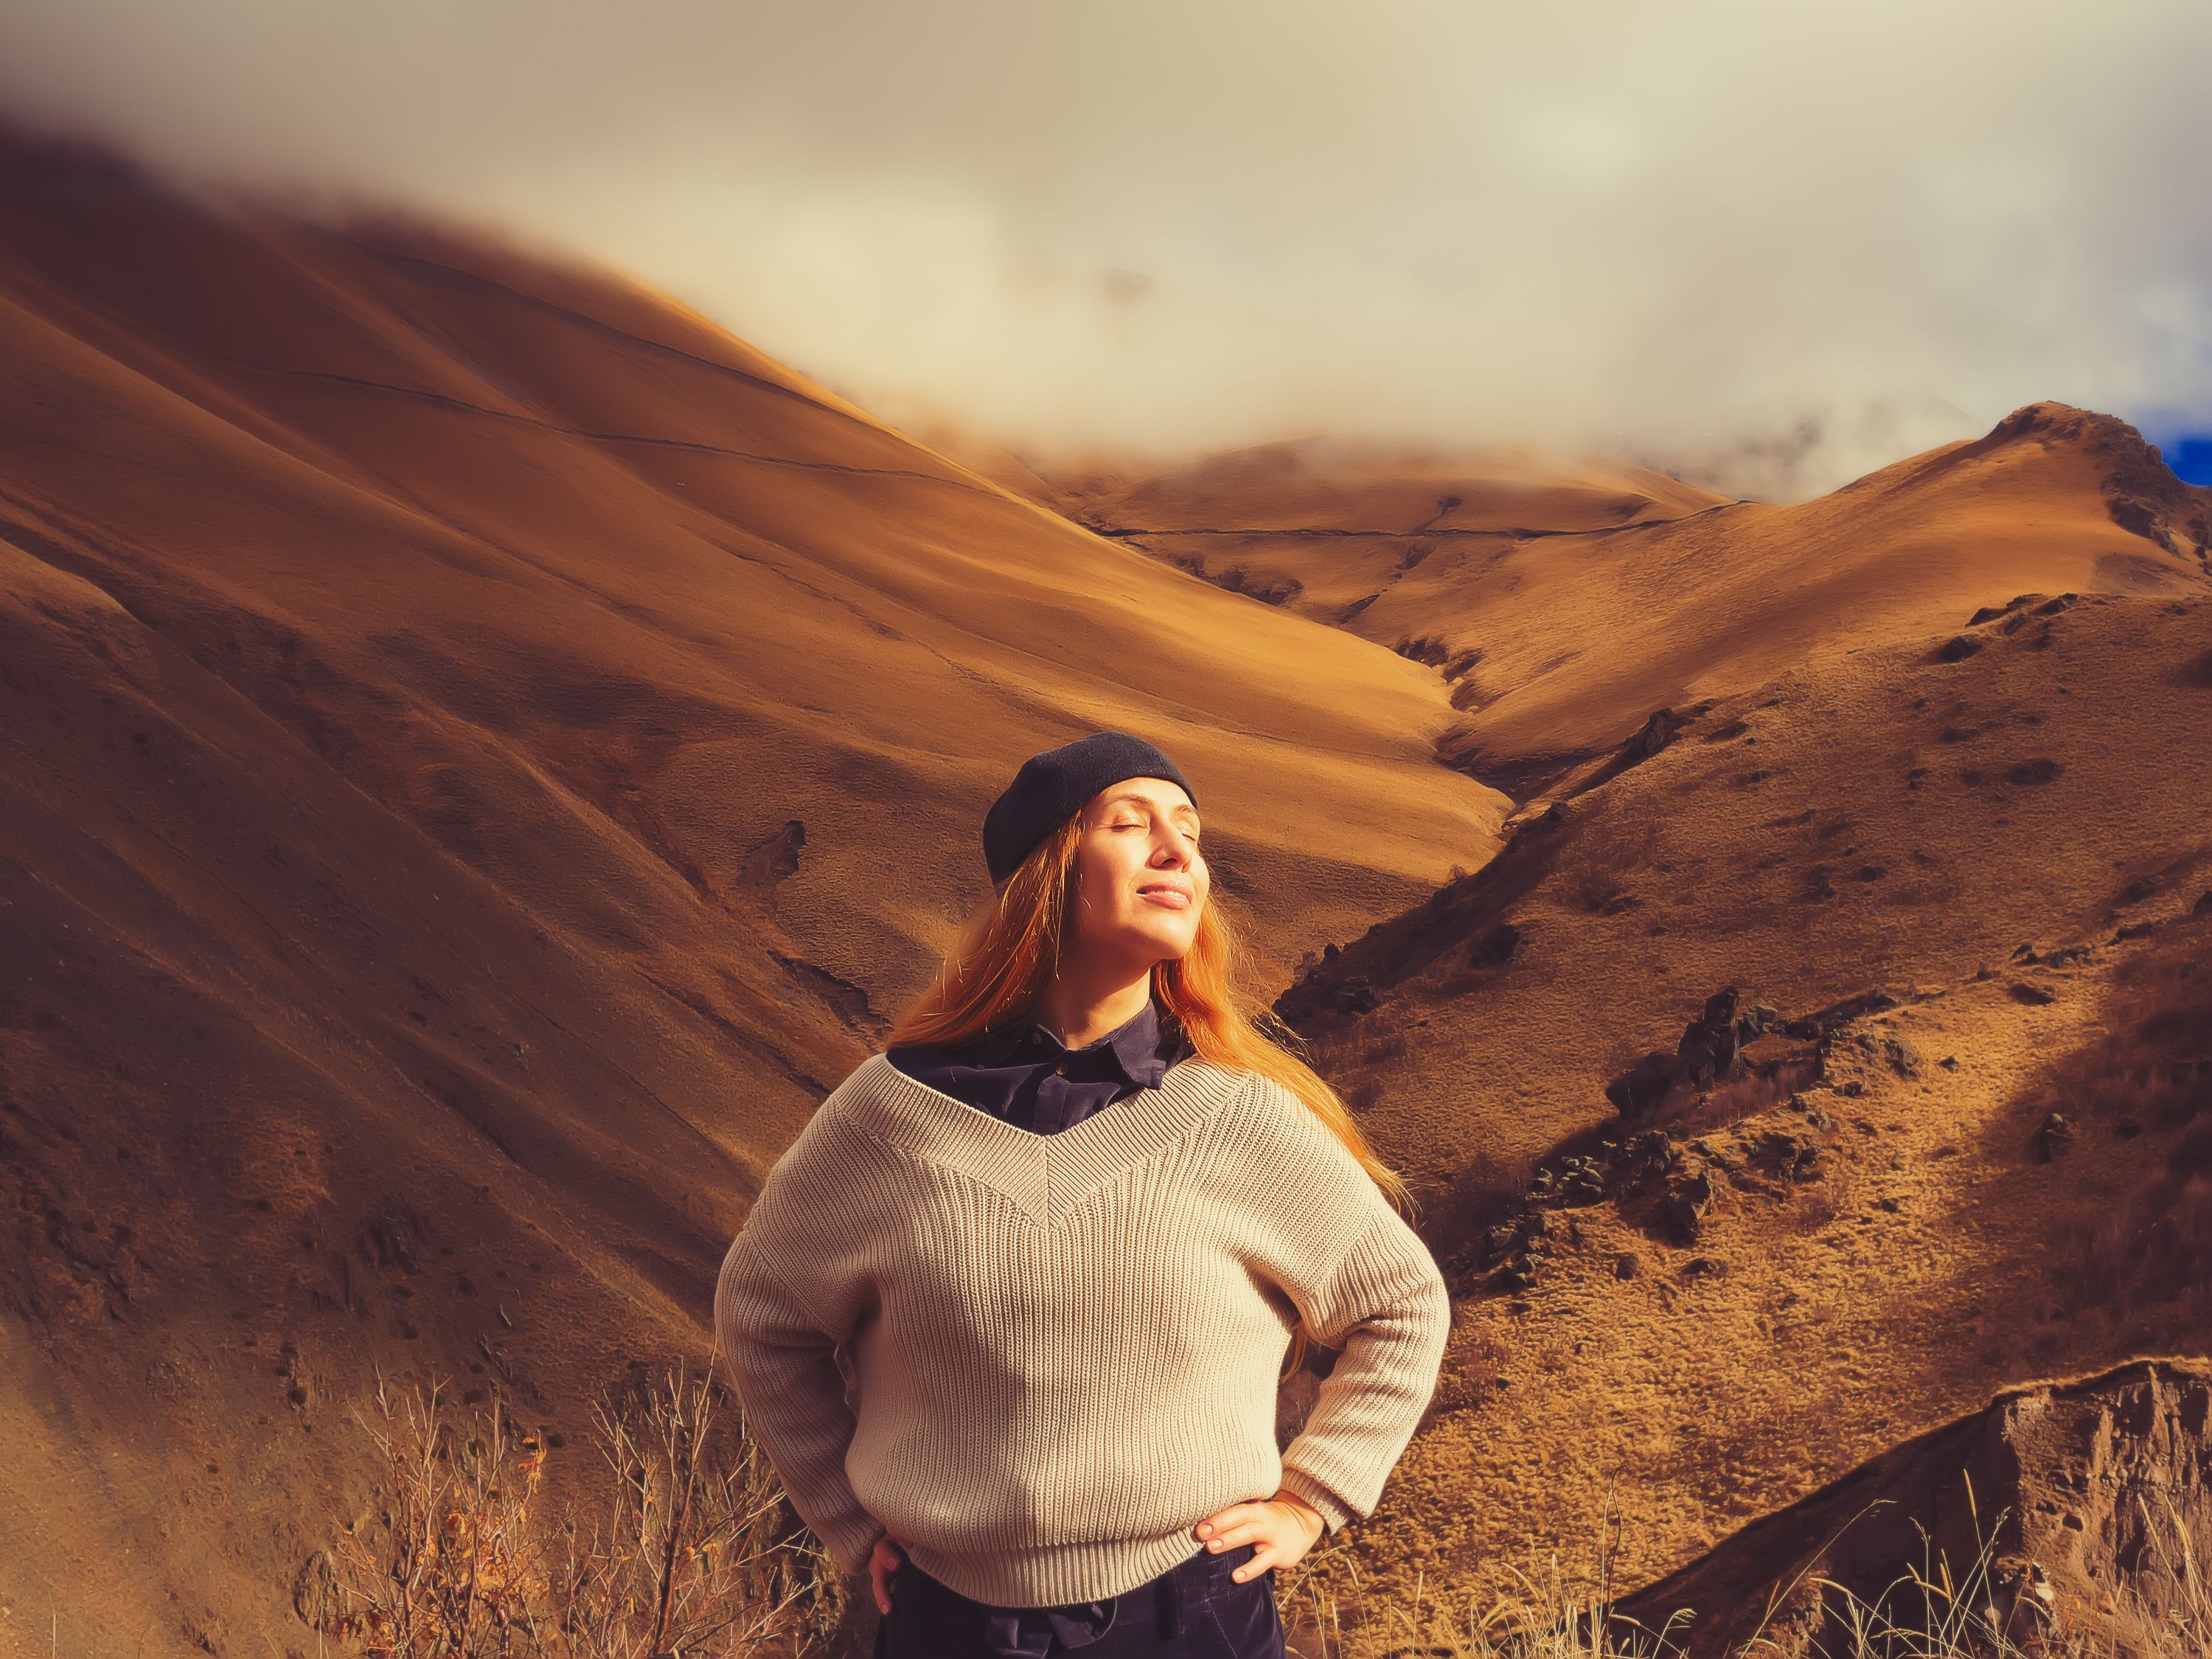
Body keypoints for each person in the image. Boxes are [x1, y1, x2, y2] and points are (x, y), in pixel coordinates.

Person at [713, 731, 1452, 1659]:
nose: (1179, 852)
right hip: (949, 1625)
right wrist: (848, 1527)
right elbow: (762, 1315)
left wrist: (1314, 1498)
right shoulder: (890, 1117)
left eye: (1188, 830)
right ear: (1048, 870)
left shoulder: (1238, 1116)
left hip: (1193, 1614)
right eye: (1131, 824)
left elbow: (1403, 1305)